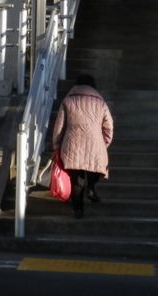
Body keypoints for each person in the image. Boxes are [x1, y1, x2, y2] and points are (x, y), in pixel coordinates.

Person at [51, 73, 114, 218]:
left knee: (77, 180)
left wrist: (56, 144)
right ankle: (91, 188)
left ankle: (78, 208)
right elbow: (109, 127)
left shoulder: (68, 100)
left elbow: (59, 126)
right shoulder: (101, 102)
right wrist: (104, 143)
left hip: (72, 144)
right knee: (94, 169)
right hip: (96, 144)